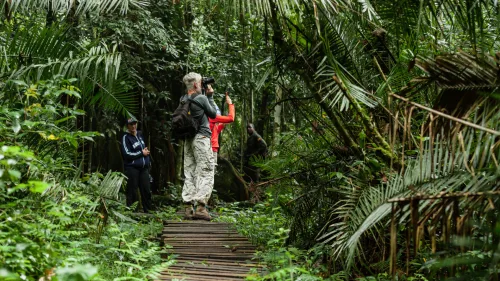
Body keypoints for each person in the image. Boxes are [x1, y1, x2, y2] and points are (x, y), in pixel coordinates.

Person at [180, 72, 217, 221]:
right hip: (201, 138)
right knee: (207, 170)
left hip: (188, 140)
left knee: (190, 171)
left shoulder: (182, 99)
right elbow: (213, 114)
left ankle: (188, 208)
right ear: (196, 85)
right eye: (201, 82)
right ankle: (201, 207)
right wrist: (210, 96)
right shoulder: (201, 98)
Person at [207, 85, 235, 195]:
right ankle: (202, 203)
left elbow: (221, 124)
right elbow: (230, 118)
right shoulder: (212, 118)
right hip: (211, 148)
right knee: (210, 175)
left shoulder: (212, 123)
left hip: (202, 147)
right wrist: (230, 104)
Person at [120, 117, 152, 213]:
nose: (133, 126)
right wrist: (141, 153)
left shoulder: (140, 135)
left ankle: (148, 212)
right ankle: (132, 213)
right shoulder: (126, 137)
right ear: (127, 126)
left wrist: (147, 160)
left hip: (144, 168)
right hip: (132, 168)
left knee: (146, 190)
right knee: (132, 191)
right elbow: (127, 154)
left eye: (135, 124)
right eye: (131, 124)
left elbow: (144, 150)